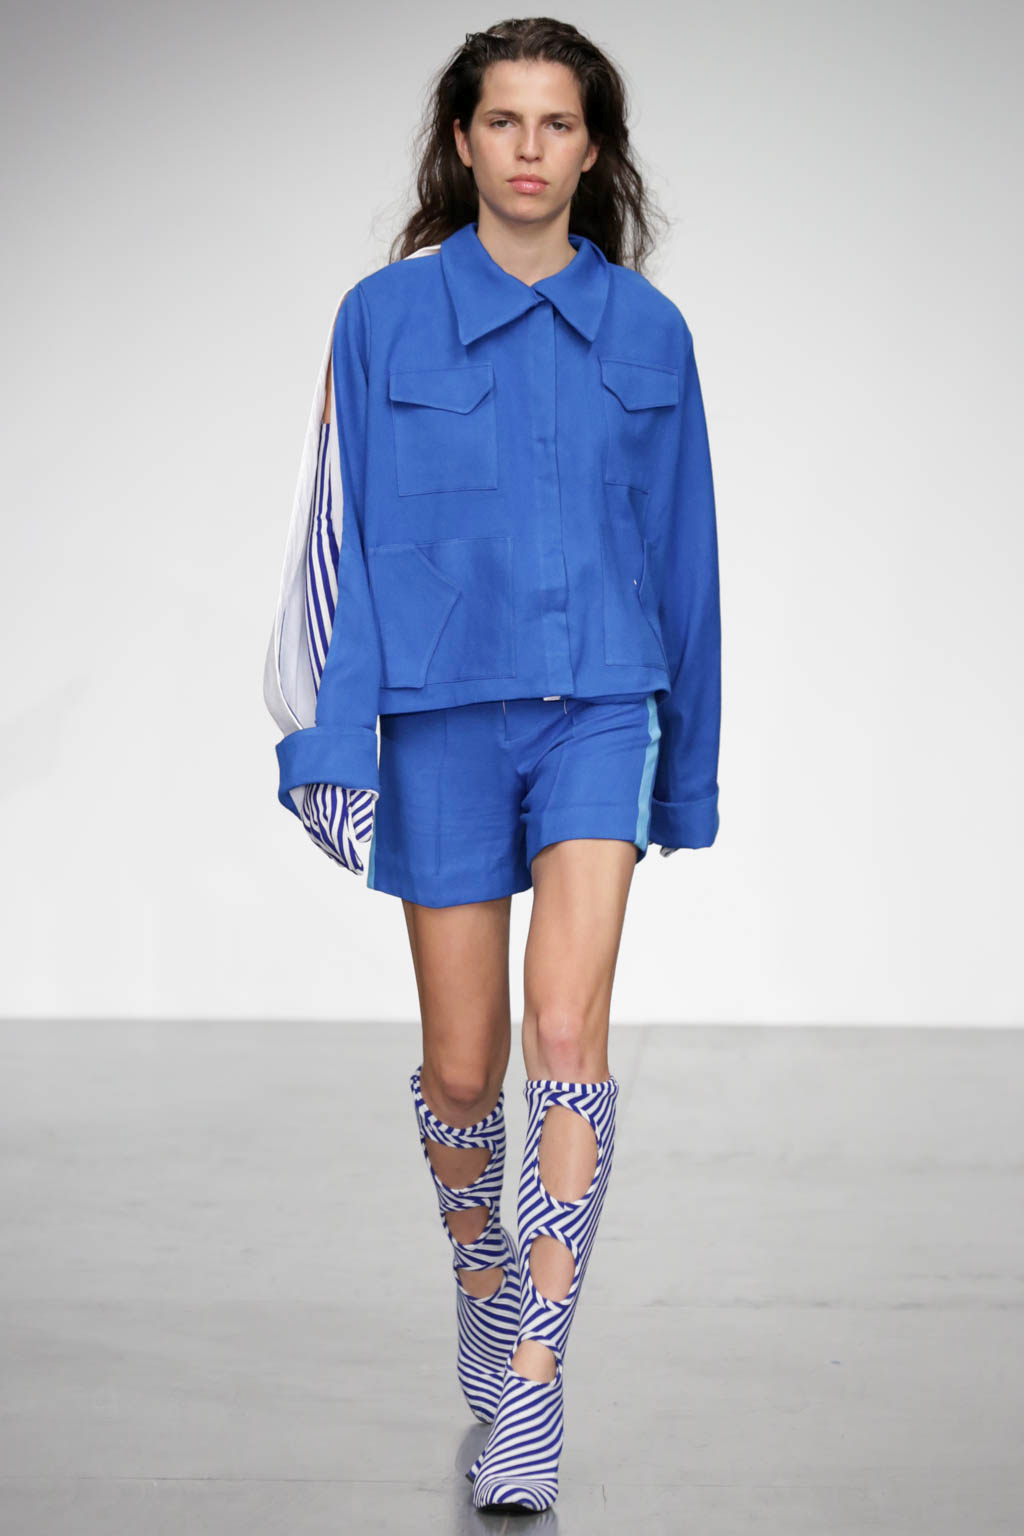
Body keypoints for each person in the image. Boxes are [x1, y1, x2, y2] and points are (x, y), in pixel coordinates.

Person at [264, 17, 721, 1515]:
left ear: (595, 151)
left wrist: (688, 773)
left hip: (603, 703)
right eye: (504, 121)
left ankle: (534, 1375)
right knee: (464, 1071)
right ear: (461, 142)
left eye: (558, 122)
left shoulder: (650, 334)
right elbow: (334, 544)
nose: (531, 148)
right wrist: (331, 741)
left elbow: (687, 558)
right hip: (438, 718)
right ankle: (481, 1272)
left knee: (564, 1029)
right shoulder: (378, 319)